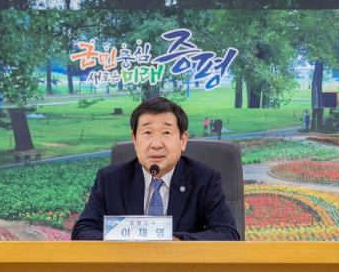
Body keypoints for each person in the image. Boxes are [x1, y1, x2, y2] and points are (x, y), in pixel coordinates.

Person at [72, 97, 239, 241]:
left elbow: (228, 234)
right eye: (147, 133)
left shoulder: (204, 179)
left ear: (183, 140)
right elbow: (83, 231)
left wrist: (175, 242)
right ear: (134, 140)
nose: (156, 144)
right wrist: (125, 244)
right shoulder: (110, 180)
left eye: (166, 133)